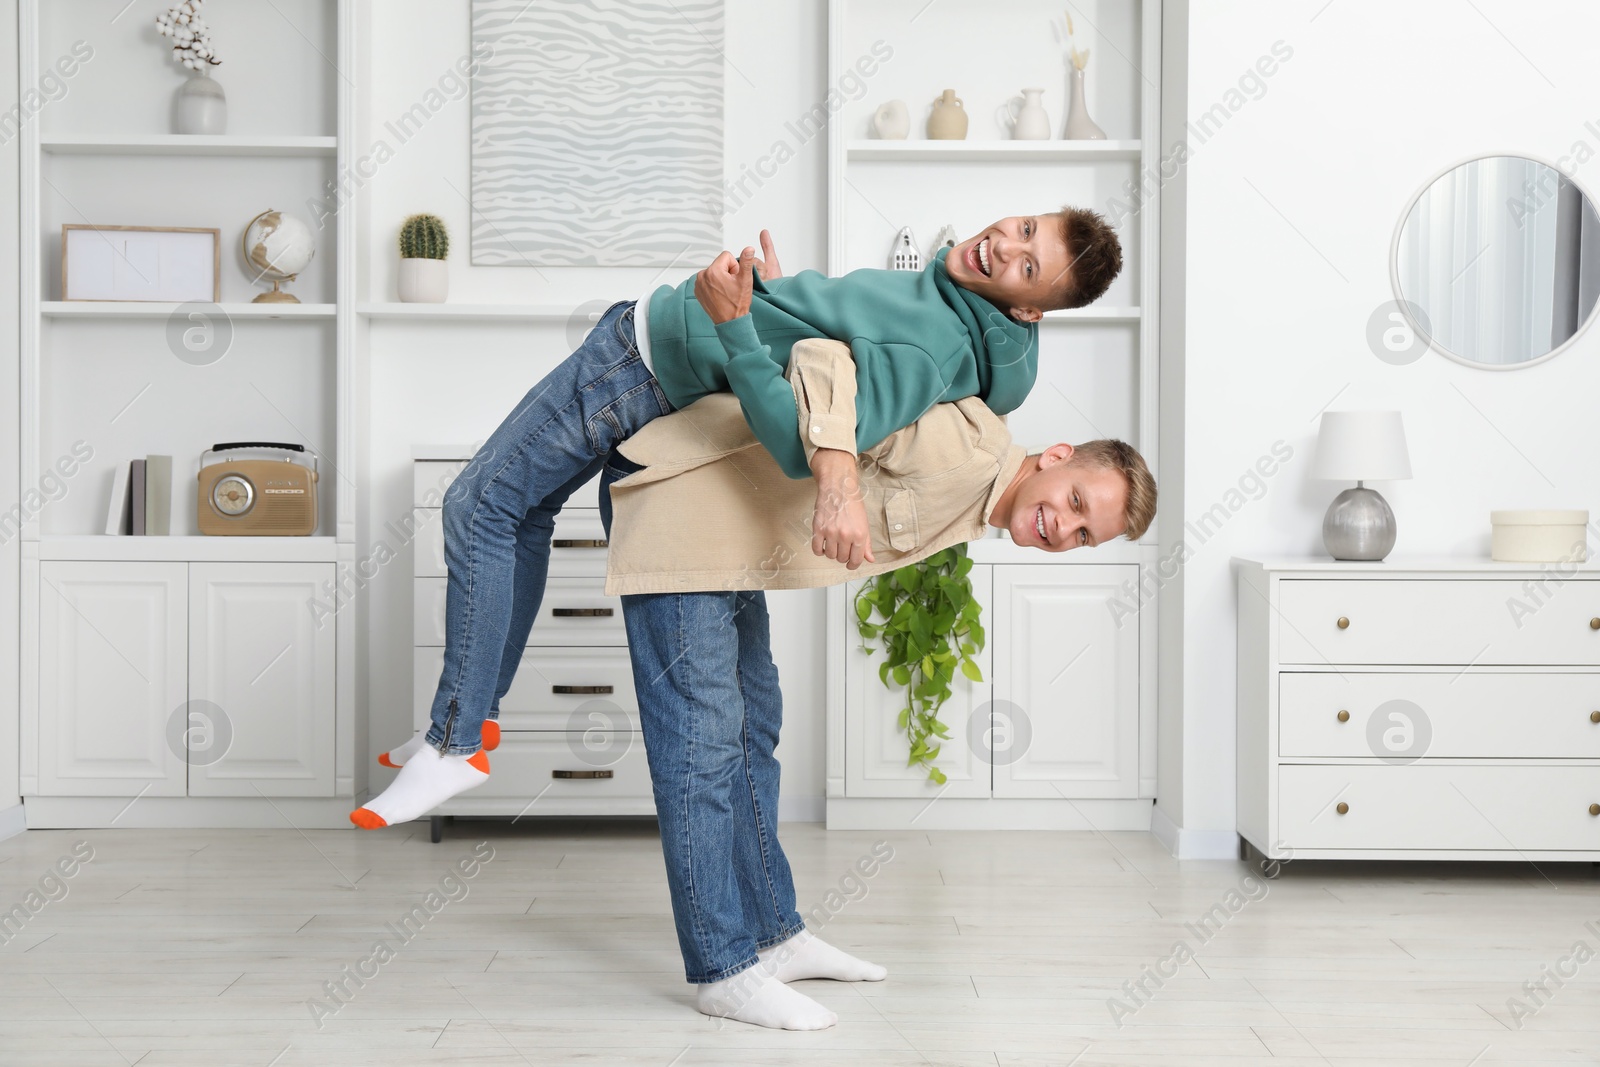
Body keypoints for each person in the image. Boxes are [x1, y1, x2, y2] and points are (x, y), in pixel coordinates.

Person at [353, 210, 1125, 828]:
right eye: (1024, 228)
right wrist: (783, 304)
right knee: (520, 511)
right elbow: (828, 355)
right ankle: (469, 721)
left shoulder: (932, 342)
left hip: (645, 359)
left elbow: (808, 441)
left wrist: (740, 332)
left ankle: (456, 740)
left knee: (478, 505)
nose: (1005, 246)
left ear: (1028, 309)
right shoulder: (948, 308)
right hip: (655, 356)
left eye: (1028, 265)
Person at [590, 336, 1157, 1029]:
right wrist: (839, 488)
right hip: (679, 506)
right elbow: (826, 355)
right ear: (1059, 455)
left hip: (731, 537)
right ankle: (722, 968)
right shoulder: (970, 446)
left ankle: (775, 933)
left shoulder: (979, 501)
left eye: (1082, 534)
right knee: (701, 746)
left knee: (753, 727)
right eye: (1073, 500)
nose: (1062, 526)